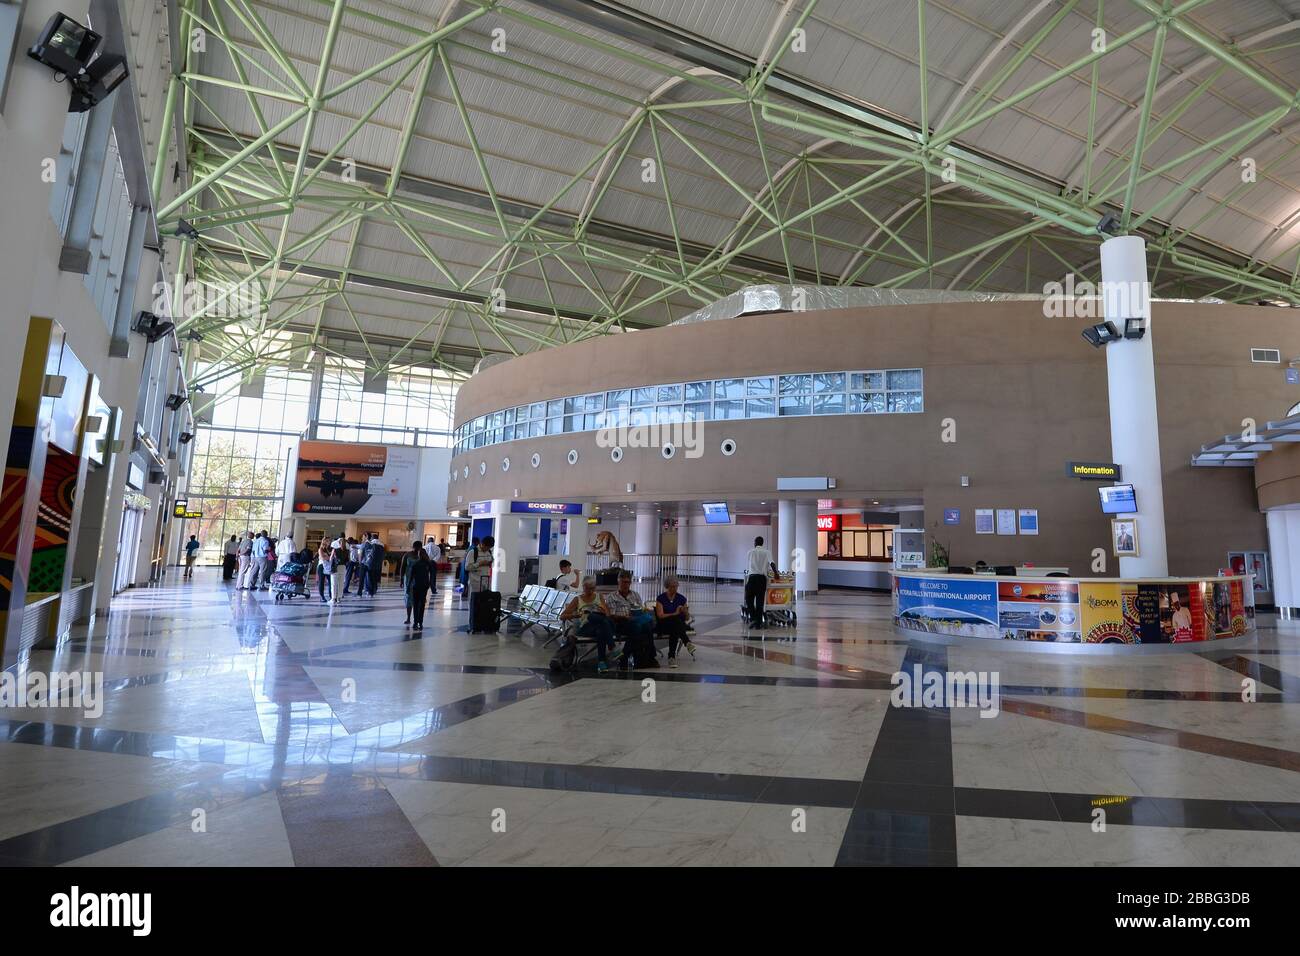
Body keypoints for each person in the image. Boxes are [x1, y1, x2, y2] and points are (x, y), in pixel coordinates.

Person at [560, 576, 620, 672]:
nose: (590, 591)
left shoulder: (599, 597)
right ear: (583, 587)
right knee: (591, 617)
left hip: (598, 627)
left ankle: (601, 662)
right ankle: (612, 647)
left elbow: (608, 614)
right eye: (588, 588)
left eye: (592, 588)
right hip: (585, 628)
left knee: (601, 629)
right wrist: (574, 615)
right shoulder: (577, 599)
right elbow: (562, 616)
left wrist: (603, 611)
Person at [604, 570, 655, 668]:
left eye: (628, 582)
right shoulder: (612, 597)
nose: (626, 585)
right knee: (640, 627)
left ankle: (631, 657)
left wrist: (642, 612)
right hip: (620, 623)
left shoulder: (635, 595)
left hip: (635, 620)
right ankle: (647, 658)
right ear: (618, 582)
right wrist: (625, 617)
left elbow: (640, 609)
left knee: (645, 626)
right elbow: (611, 616)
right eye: (623, 582)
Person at [655, 576, 696, 667]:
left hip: (677, 626)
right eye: (672, 586)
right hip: (664, 625)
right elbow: (660, 615)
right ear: (667, 586)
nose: (675, 588)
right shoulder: (661, 598)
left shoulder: (681, 598)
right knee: (675, 621)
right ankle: (687, 643)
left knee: (675, 627)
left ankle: (672, 658)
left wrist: (685, 612)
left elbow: (687, 618)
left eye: (676, 586)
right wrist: (675, 613)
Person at [744, 535, 777, 630]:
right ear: (762, 543)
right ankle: (758, 623)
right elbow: (772, 563)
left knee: (748, 598)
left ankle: (753, 617)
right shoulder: (767, 552)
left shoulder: (750, 552)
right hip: (762, 579)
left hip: (752, 578)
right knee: (760, 601)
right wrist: (776, 573)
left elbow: (749, 565)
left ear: (755, 543)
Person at [403, 543, 433, 630]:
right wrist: (430, 584)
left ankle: (416, 622)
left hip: (417, 586)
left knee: (417, 605)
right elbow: (431, 575)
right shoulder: (427, 564)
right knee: (421, 605)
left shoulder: (417, 564)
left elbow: (412, 577)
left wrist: (408, 586)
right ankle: (419, 622)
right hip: (422, 586)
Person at [330, 540, 348, 605]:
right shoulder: (347, 551)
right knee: (341, 584)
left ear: (339, 543)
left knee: (334, 584)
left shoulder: (335, 550)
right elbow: (348, 560)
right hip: (343, 567)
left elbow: (331, 559)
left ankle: (333, 598)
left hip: (335, 568)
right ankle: (339, 598)